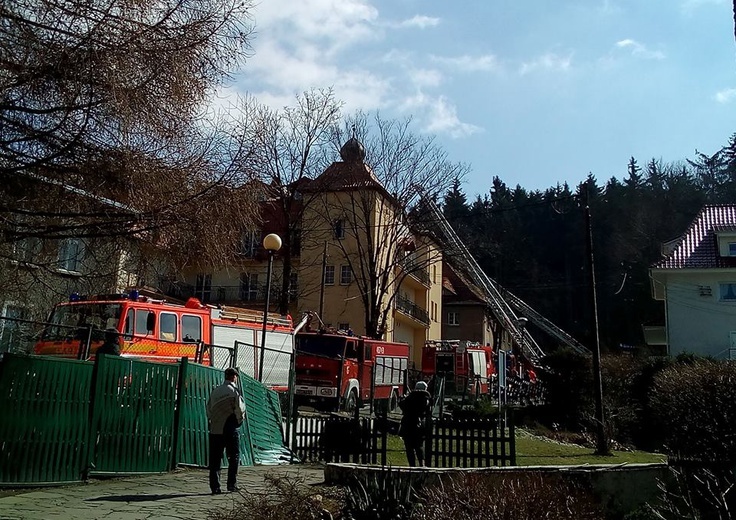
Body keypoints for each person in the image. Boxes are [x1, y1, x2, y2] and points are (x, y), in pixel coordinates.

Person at [206, 367, 245, 494]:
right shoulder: (234, 391)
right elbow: (240, 409)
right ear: (234, 377)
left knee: (215, 459)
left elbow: (209, 410)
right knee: (233, 457)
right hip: (230, 428)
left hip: (216, 429)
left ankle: (215, 487)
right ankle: (231, 485)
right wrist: (239, 421)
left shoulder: (215, 391)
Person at [398, 380, 432, 467]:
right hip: (419, 425)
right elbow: (428, 411)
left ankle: (412, 465)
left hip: (408, 424)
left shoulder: (410, 398)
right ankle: (422, 464)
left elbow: (402, 405)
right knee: (419, 446)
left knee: (409, 447)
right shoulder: (425, 398)